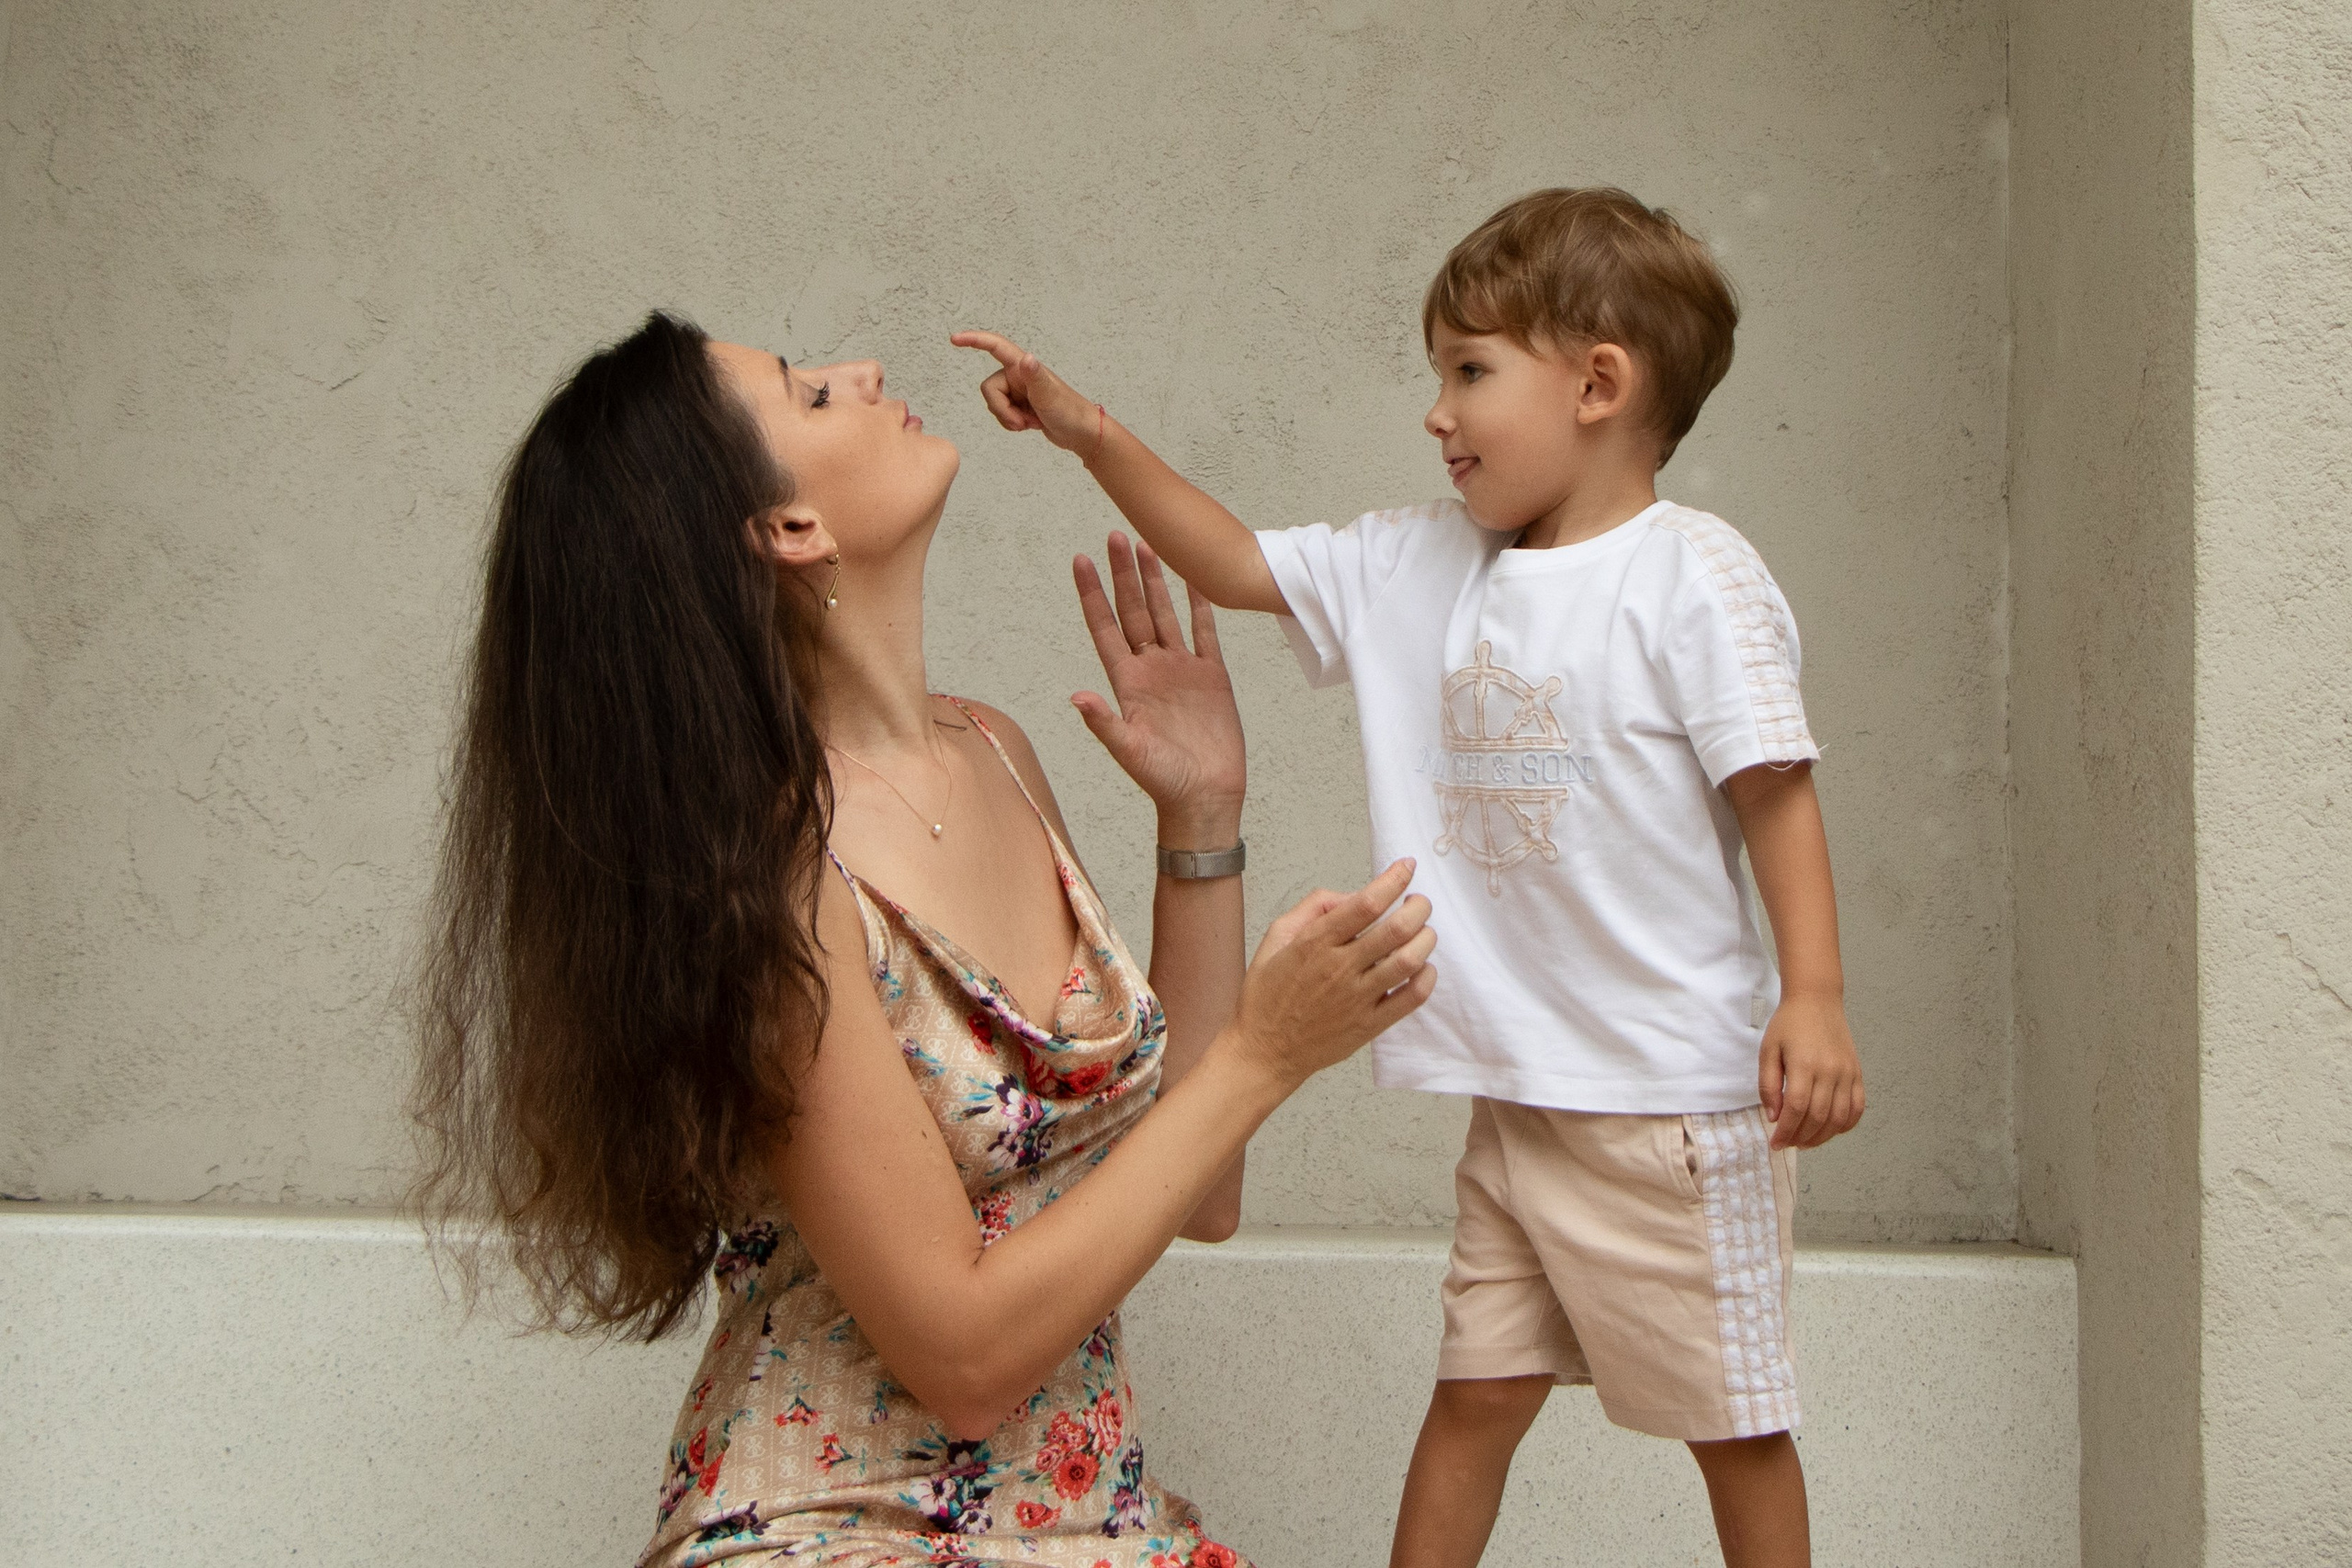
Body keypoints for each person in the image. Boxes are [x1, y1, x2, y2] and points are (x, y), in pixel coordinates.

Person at [408, 310, 1438, 1567]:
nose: (867, 373)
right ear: (789, 529)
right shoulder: (768, 875)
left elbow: (1195, 1190)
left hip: (1089, 1524)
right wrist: (1267, 1057)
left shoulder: (997, 751)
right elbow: (963, 1357)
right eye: (814, 396)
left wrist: (1202, 821)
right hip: (836, 1533)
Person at [955, 185, 1866, 1568]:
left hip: (1666, 1102)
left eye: (1470, 372)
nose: (1437, 412)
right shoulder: (1421, 564)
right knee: (1475, 1398)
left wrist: (1816, 996)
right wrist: (1091, 436)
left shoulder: (1692, 579)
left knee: (1733, 1422)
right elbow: (1238, 559)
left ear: (1599, 384)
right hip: (1518, 1101)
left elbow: (1776, 790)